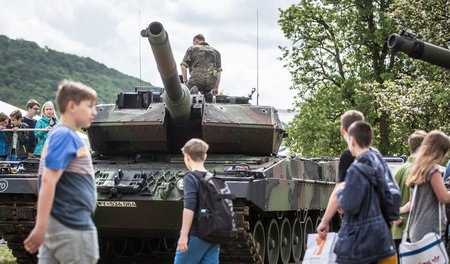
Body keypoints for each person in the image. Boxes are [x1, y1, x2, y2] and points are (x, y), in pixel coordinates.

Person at [23, 80, 99, 263]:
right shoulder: (65, 135)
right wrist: (40, 227)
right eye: (89, 107)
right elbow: (49, 180)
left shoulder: (61, 134)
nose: (95, 112)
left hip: (60, 225)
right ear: (72, 106)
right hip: (73, 229)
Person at [334, 121, 396, 263]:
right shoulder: (379, 164)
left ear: (352, 140)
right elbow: (390, 197)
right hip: (381, 235)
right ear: (371, 141)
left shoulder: (356, 169)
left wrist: (341, 196)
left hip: (361, 238)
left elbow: (349, 205)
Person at [317, 110, 364, 237]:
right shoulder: (376, 156)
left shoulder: (349, 155)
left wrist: (325, 221)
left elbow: (339, 189)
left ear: (342, 130)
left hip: (357, 223)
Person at [174, 138, 220, 264]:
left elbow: (189, 207)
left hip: (196, 234)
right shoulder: (213, 178)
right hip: (214, 235)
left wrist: (184, 235)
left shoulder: (190, 177)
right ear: (205, 157)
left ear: (187, 157)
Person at [405, 130, 450, 243]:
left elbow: (412, 204)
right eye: (445, 151)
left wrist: (396, 211)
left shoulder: (418, 169)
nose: (447, 155)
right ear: (438, 151)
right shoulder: (433, 170)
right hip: (431, 231)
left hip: (416, 230)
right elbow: (443, 197)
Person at [391, 130, 427, 251]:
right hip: (414, 230)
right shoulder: (420, 170)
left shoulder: (400, 170)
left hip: (398, 230)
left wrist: (394, 215)